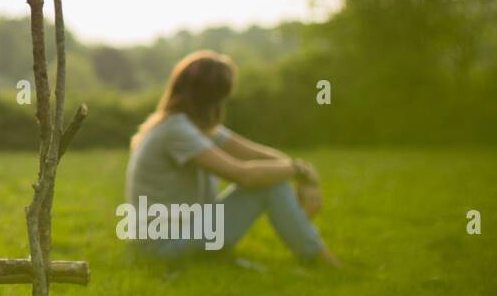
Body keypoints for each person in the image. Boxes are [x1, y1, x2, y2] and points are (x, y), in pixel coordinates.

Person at [125, 49, 341, 267]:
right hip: (162, 247)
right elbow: (243, 175)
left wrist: (303, 176)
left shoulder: (193, 126)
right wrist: (299, 171)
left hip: (177, 237)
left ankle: (314, 254)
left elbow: (263, 157)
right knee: (270, 183)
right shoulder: (176, 129)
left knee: (273, 176)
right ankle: (317, 257)